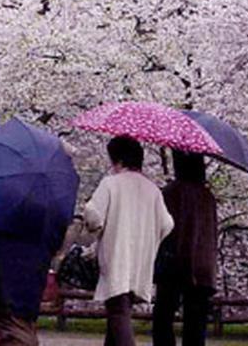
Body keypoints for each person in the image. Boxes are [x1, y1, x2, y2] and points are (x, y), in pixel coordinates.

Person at [83, 135, 174, 346]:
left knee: (117, 310)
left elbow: (94, 216)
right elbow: (167, 224)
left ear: (118, 159)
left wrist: (88, 216)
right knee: (120, 311)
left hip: (117, 256)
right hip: (141, 260)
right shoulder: (152, 190)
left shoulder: (111, 184)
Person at [0, 194, 70, 345]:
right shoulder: (48, 223)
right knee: (15, 330)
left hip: (5, 289)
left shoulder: (5, 222)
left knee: (14, 333)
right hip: (26, 289)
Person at [152, 151, 218, 346]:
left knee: (163, 316)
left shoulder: (171, 192)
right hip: (203, 267)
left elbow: (162, 227)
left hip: (175, 262)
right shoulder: (208, 196)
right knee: (196, 324)